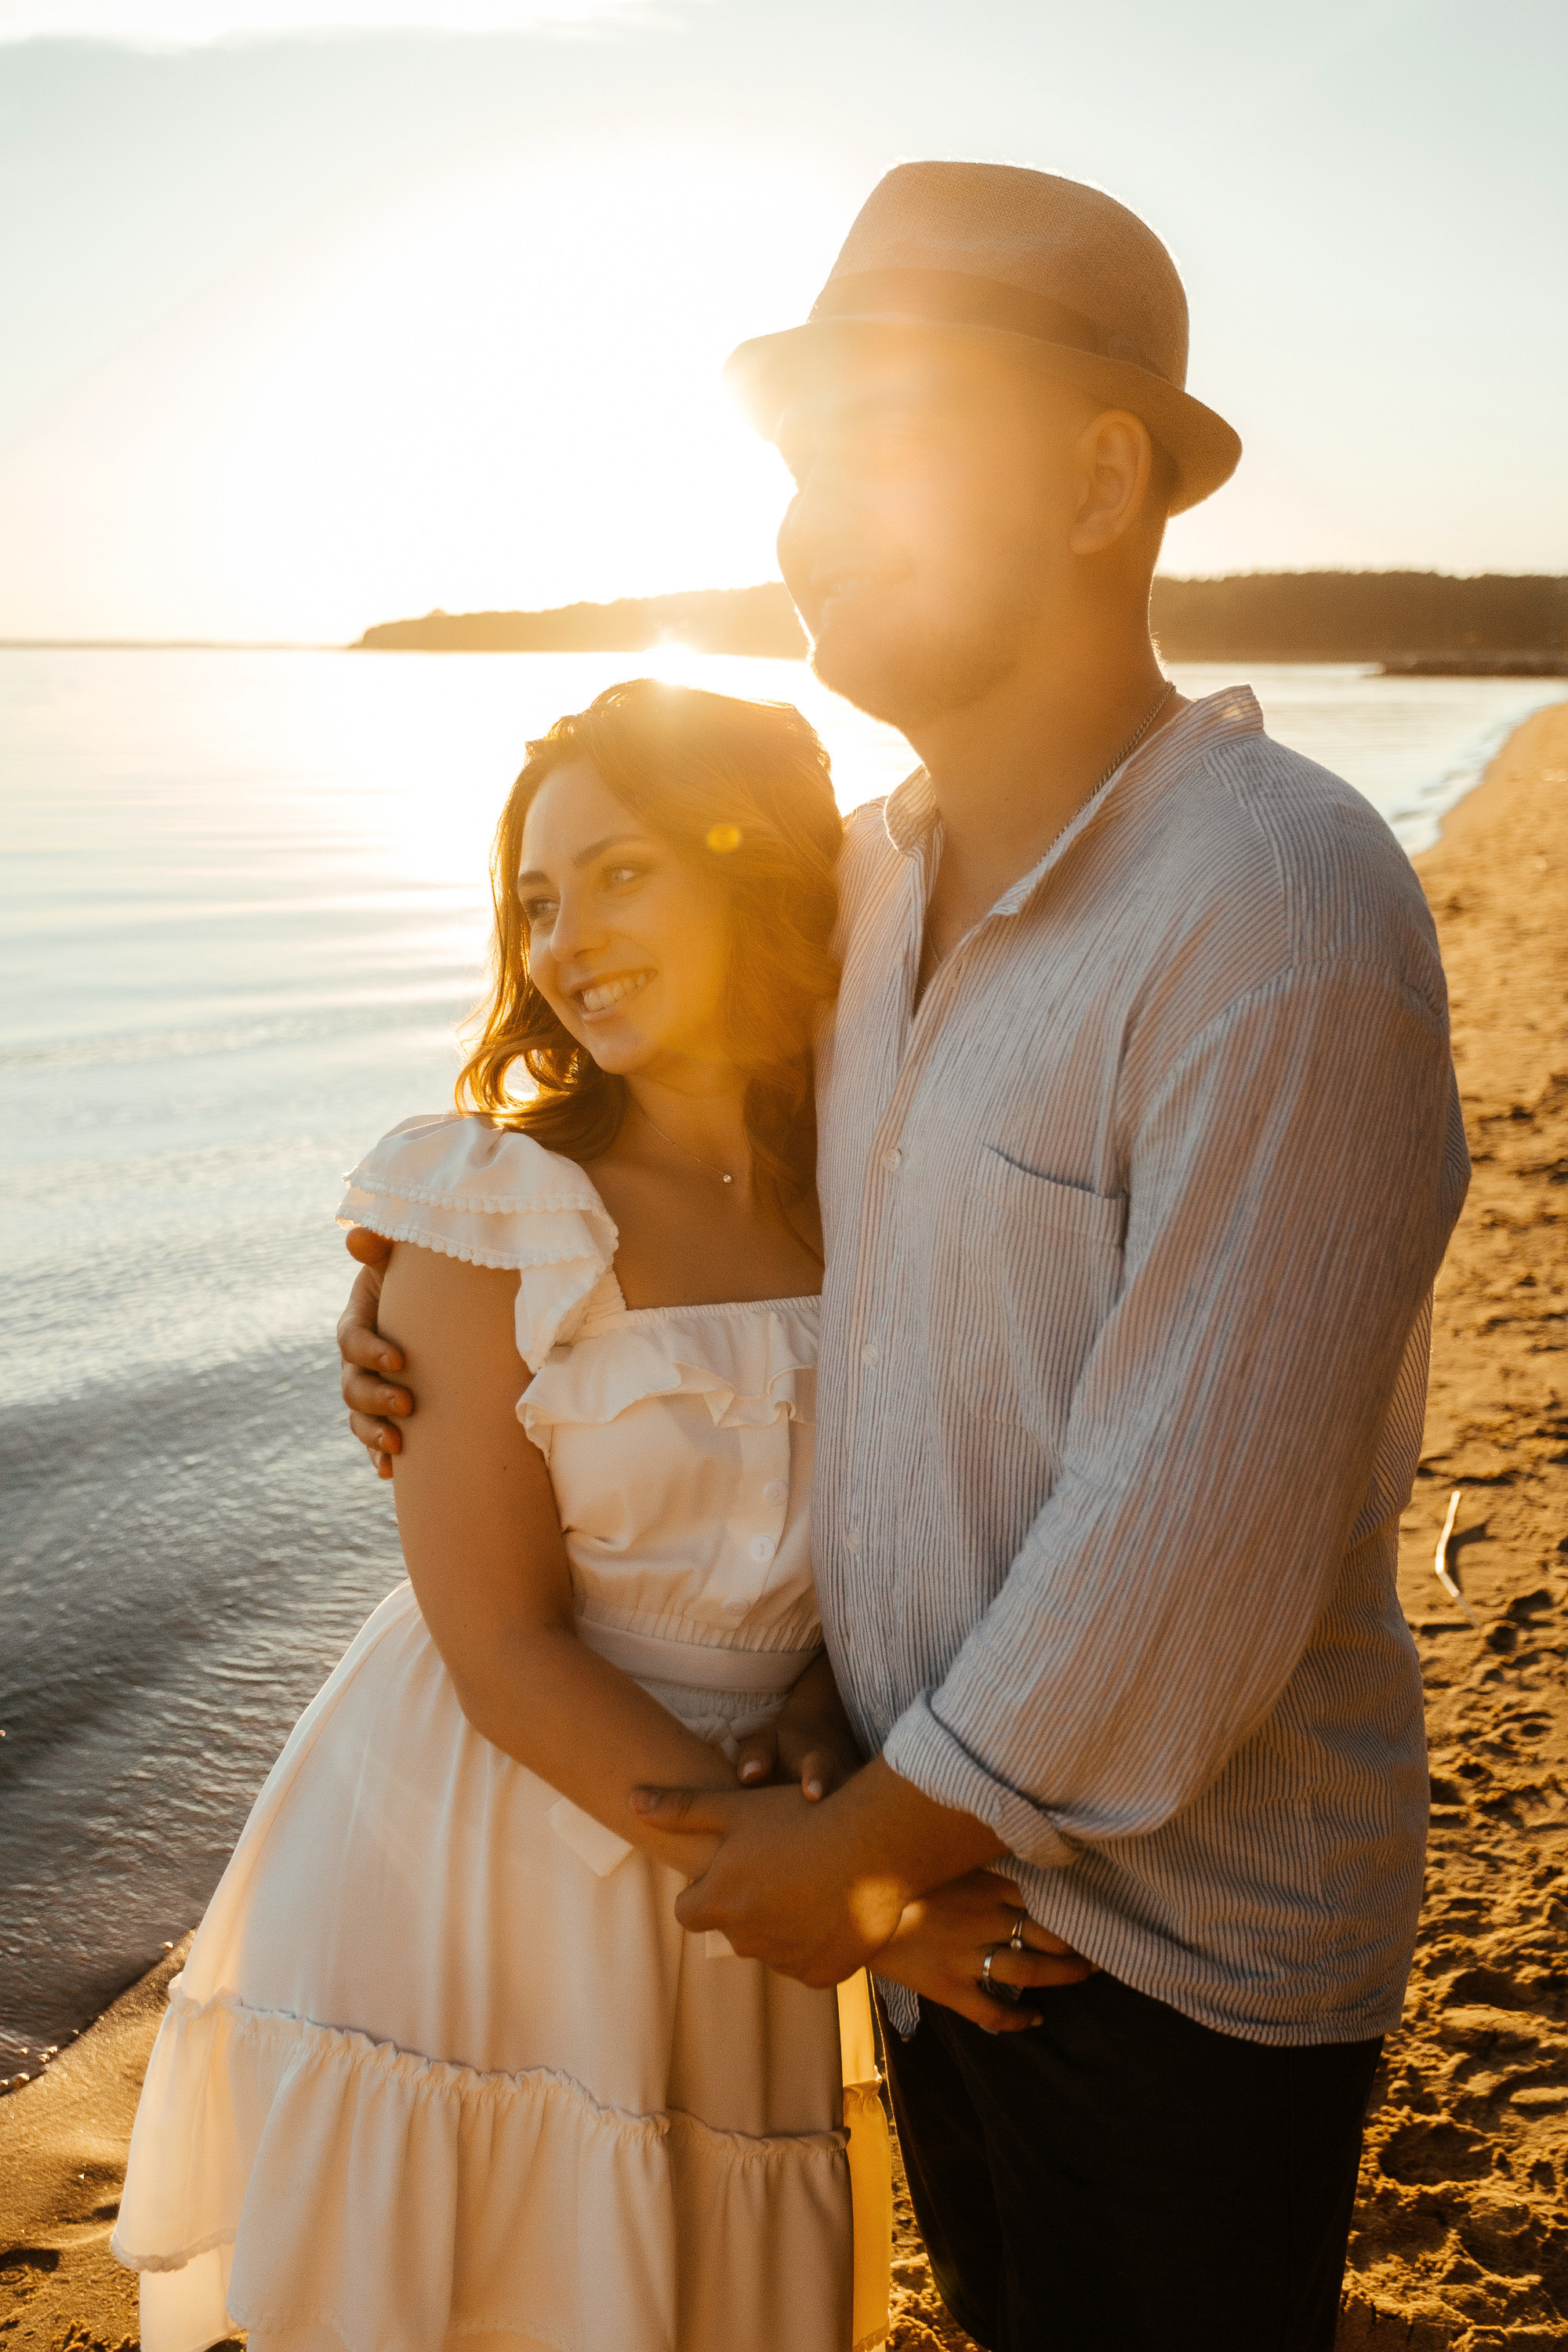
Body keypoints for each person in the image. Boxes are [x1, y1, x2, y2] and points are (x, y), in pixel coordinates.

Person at [342, 164, 1469, 2351]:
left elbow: (1194, 1518)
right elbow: (630, 1116)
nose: (800, 521)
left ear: (1096, 475)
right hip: (926, 1899)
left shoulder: (1280, 909)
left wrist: (862, 1851)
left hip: (1165, 1956)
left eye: (879, 439)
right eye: (793, 461)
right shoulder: (865, 890)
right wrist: (407, 1277)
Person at [117, 681, 948, 2352]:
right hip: (486, 1846)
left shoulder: (880, 1186)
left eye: (621, 874)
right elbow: (498, 1647)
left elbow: (852, 1530)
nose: (567, 940)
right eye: (537, 900)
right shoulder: (490, 1209)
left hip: (738, 1861)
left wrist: (810, 1705)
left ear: (758, 869)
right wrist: (837, 1882)